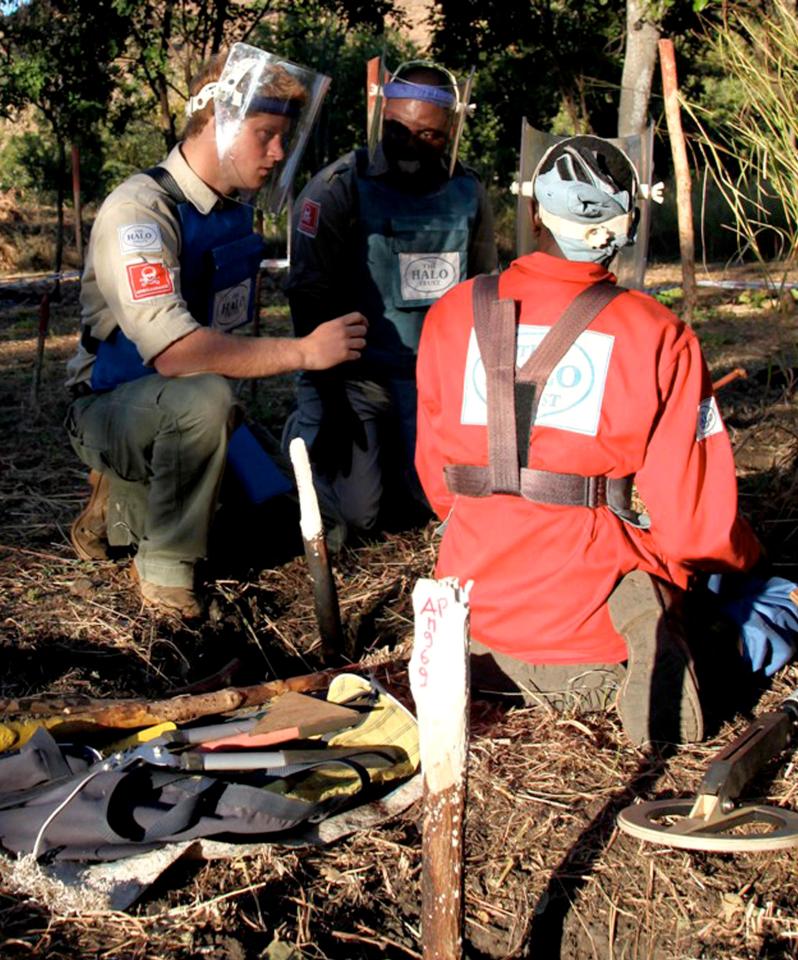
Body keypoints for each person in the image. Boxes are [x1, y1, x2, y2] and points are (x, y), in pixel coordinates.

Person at [414, 134, 793, 747]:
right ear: (629, 225)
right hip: (596, 649)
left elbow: (440, 486)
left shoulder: (450, 315)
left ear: (533, 212)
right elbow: (697, 529)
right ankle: (681, 665)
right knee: (773, 598)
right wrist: (748, 561)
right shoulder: (657, 334)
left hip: (472, 634)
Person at [65, 43, 367, 621]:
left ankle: (132, 509)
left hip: (202, 410)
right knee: (204, 397)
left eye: (285, 136)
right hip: (114, 407)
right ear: (217, 122)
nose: (279, 152)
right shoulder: (140, 210)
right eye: (265, 134)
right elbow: (178, 354)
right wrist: (304, 351)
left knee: (314, 530)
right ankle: (165, 569)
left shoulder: (231, 211)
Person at [283, 60, 498, 546]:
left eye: (430, 135)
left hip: (434, 380)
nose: (411, 144)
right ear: (382, 117)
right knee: (359, 516)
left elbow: (486, 286)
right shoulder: (339, 187)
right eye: (398, 130)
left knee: (433, 505)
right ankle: (303, 429)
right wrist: (329, 395)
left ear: (452, 131)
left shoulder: (468, 193)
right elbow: (307, 293)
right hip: (356, 379)